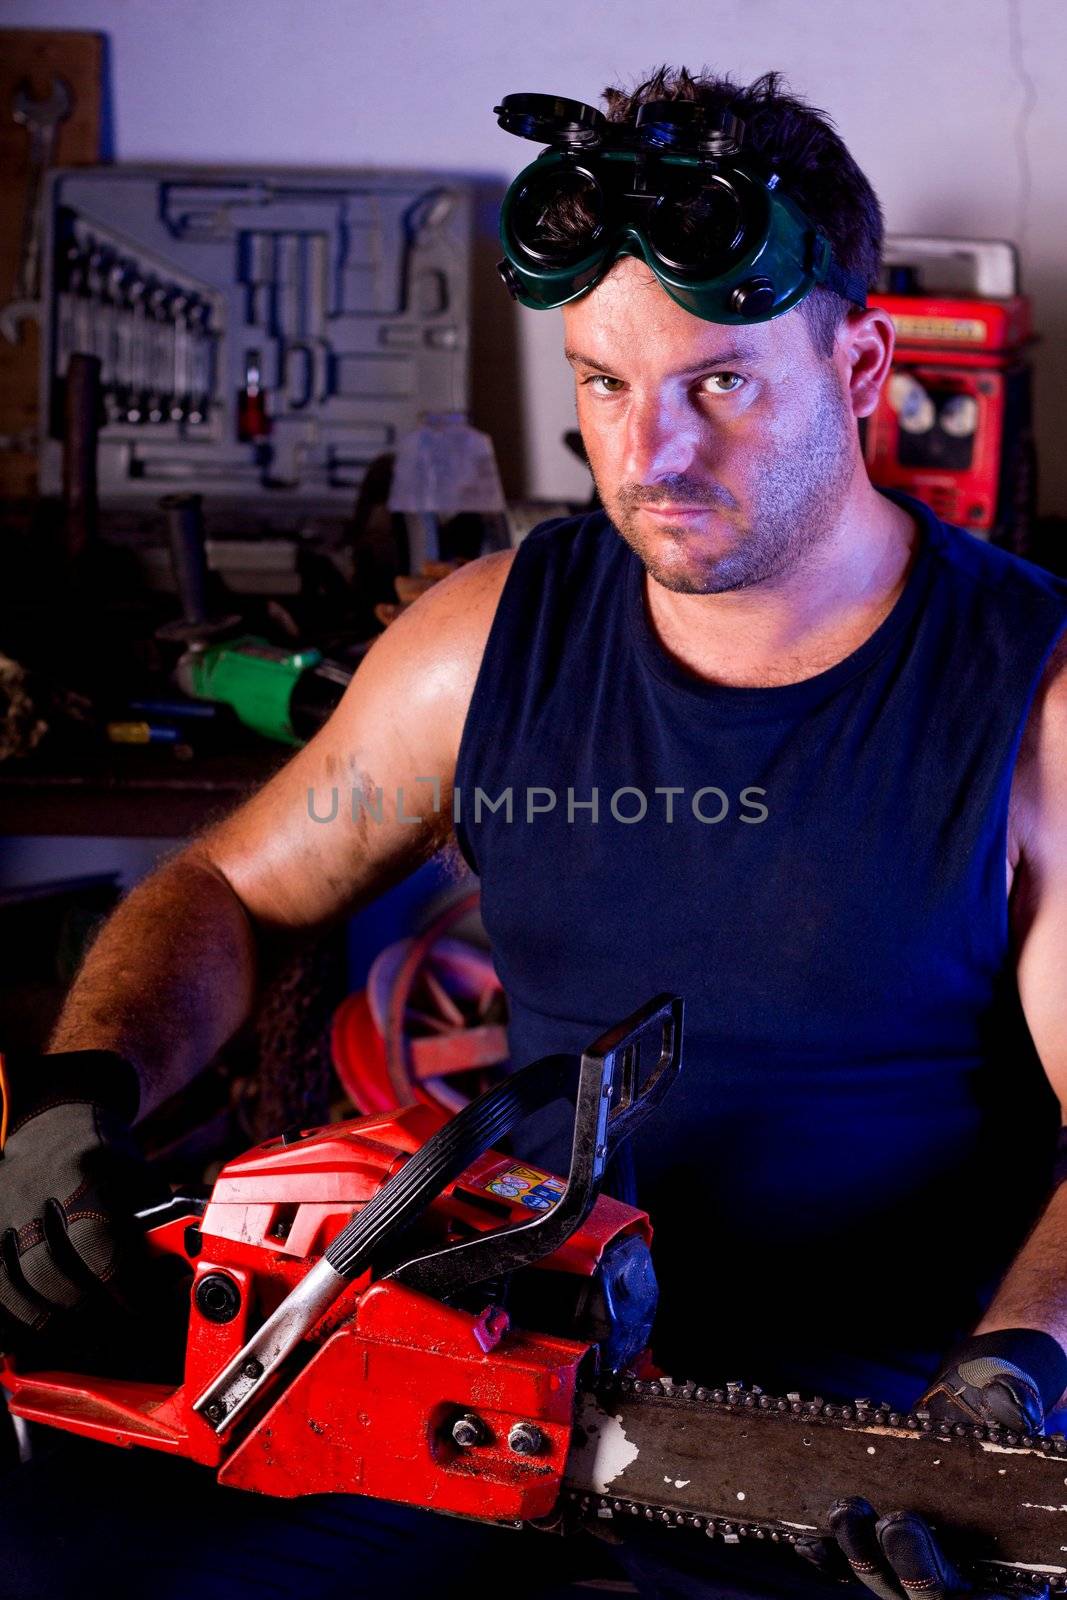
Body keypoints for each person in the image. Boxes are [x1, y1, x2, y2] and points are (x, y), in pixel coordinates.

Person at [2, 65, 1066, 1600]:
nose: (649, 461)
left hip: (870, 1438)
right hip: (491, 1364)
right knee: (59, 1550)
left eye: (718, 383)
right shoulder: (486, 639)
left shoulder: (1032, 707)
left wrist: (1007, 1387)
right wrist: (74, 1103)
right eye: (603, 385)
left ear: (861, 365)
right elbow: (229, 884)